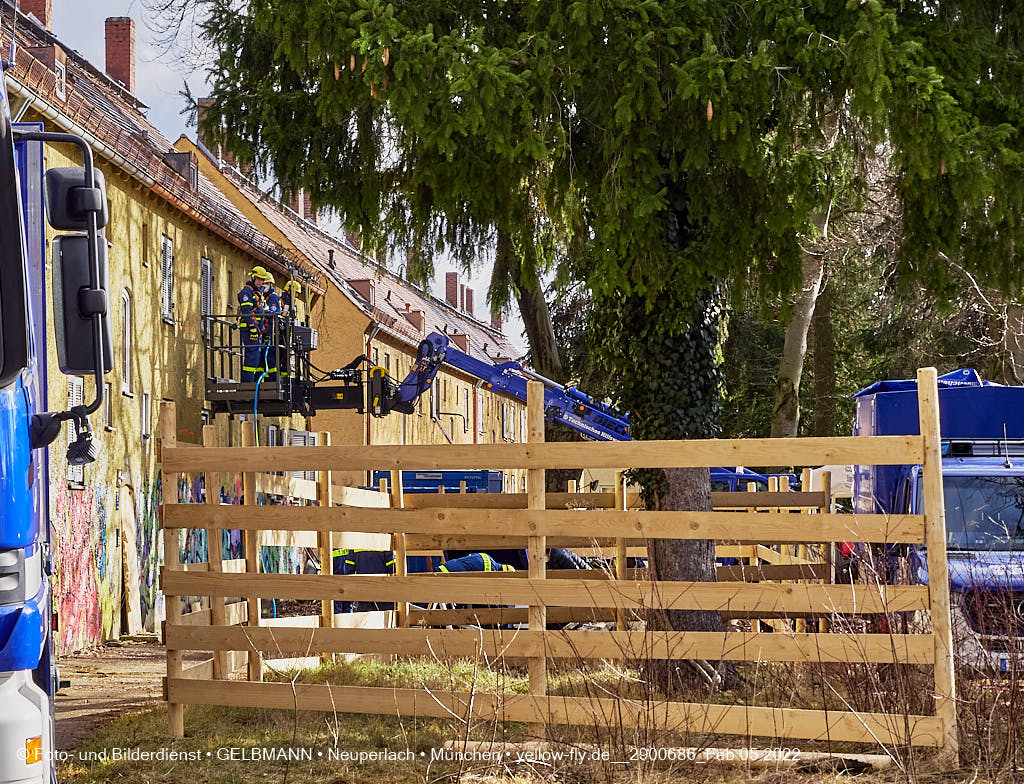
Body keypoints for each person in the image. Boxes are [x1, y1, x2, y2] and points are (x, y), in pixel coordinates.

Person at [237, 266, 274, 382]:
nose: (260, 282)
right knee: (252, 357)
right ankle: (248, 385)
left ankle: (252, 384)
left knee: (256, 358)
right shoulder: (246, 292)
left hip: (258, 330)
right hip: (249, 329)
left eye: (262, 280)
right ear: (253, 278)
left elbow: (263, 310)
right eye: (258, 279)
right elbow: (247, 311)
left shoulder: (258, 293)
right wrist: (252, 327)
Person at [332, 548, 396, 613]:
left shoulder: (356, 546)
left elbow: (349, 570)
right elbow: (393, 568)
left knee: (363, 620)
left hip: (364, 594)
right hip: (384, 594)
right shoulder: (385, 545)